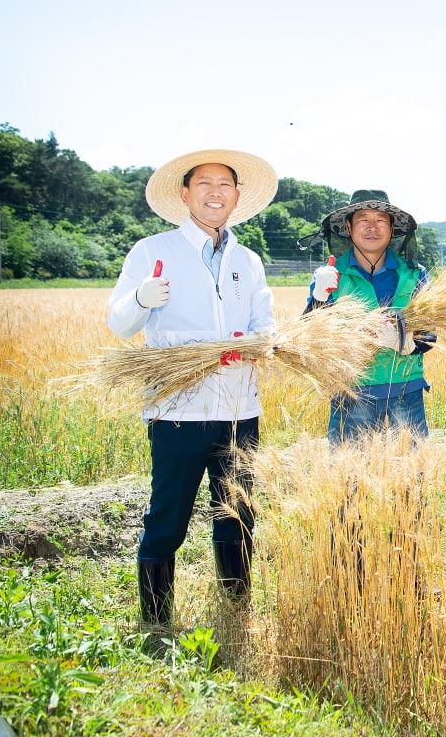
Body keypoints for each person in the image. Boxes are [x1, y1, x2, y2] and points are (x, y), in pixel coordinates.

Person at [107, 149, 279, 641]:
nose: (214, 192)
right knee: (168, 519)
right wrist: (142, 298)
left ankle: (237, 615)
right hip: (178, 411)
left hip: (239, 411)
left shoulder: (248, 260)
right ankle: (157, 624)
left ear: (237, 196)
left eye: (224, 184)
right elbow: (120, 323)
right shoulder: (151, 251)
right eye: (203, 183)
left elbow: (264, 323)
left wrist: (260, 341)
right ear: (184, 194)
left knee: (238, 516)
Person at [303, 190, 435, 442]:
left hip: (406, 392)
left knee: (410, 475)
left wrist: (406, 344)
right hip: (352, 394)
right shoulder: (330, 276)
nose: (372, 227)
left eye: (380, 220)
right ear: (348, 227)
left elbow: (431, 334)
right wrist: (319, 297)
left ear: (392, 228)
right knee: (352, 477)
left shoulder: (415, 274)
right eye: (363, 219)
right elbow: (309, 339)